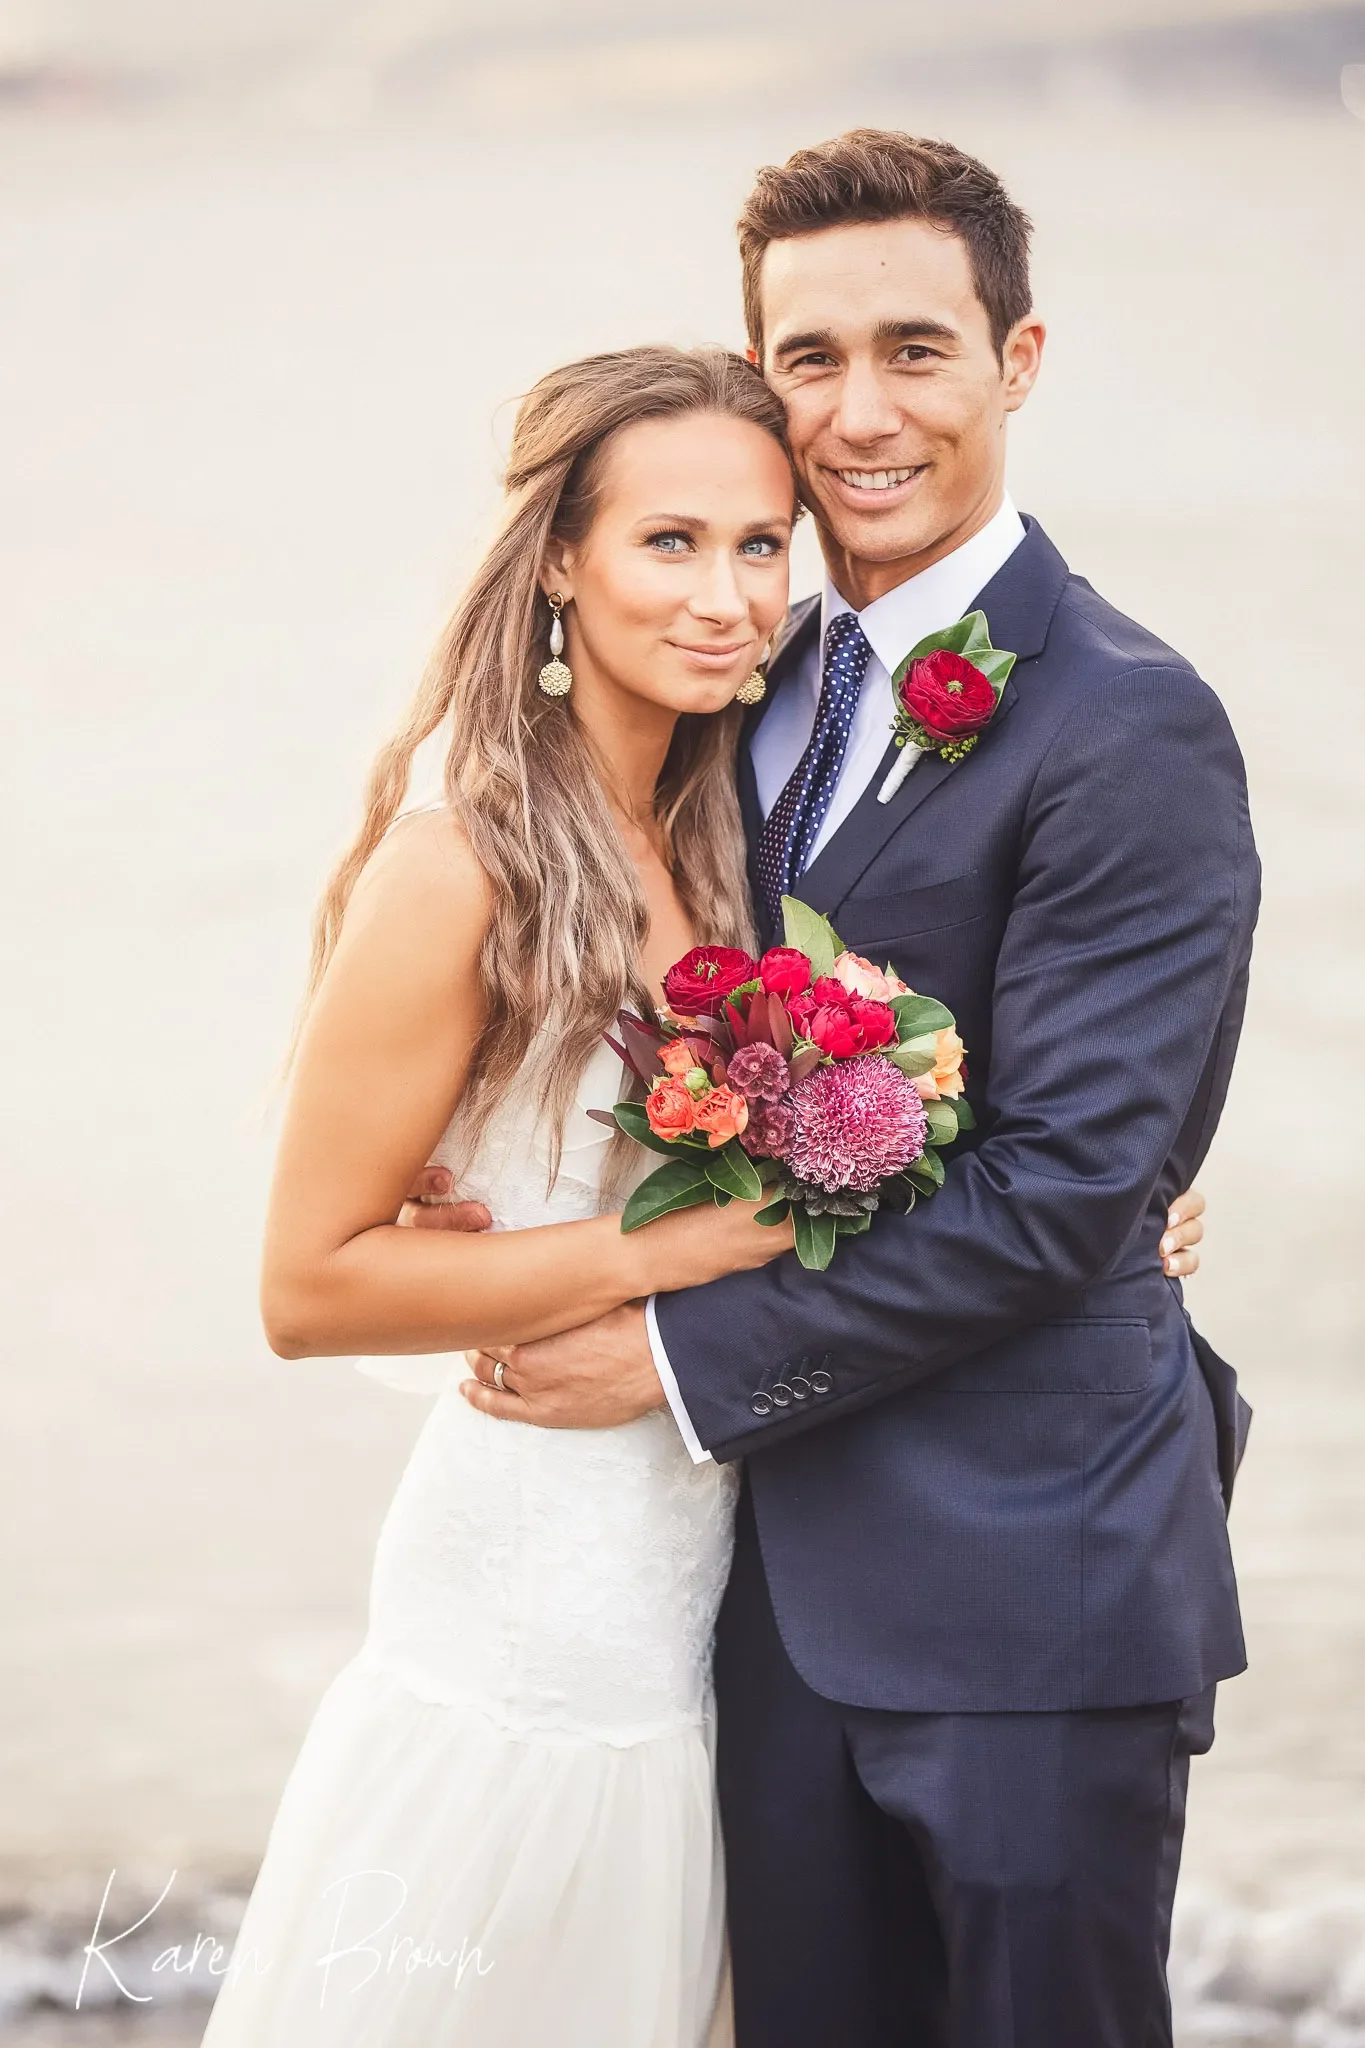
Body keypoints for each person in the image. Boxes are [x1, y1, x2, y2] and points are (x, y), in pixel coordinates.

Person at [461, 132, 1258, 2048]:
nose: (861, 412)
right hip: (756, 1597)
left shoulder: (1128, 721)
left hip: (1030, 1578)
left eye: (917, 348)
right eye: (809, 360)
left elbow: (1071, 1188)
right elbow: (630, 1011)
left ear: (1021, 360)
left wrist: (667, 1361)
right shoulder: (740, 683)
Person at [200, 347, 801, 2047]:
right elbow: (309, 1289)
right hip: (530, 1609)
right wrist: (666, 1245)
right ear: (560, 559)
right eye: (669, 544)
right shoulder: (457, 859)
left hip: (688, 1597)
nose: (726, 597)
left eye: (762, 548)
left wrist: (1113, 1209)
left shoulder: (725, 839)